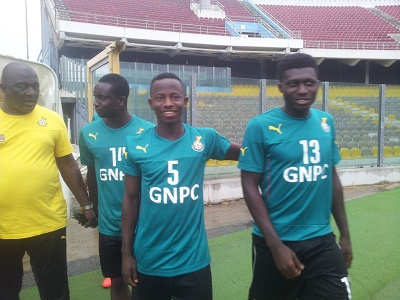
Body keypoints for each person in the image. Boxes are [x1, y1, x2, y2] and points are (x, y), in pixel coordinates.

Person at [238, 53, 353, 300]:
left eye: (309, 83)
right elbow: (249, 185)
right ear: (281, 86)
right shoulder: (259, 126)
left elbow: (331, 177)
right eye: (293, 83)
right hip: (275, 241)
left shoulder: (326, 122)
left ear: (318, 84)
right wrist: (276, 245)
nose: (302, 89)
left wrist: (345, 234)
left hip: (321, 239)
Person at [121, 72, 240, 300]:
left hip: (193, 259)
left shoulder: (204, 139)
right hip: (149, 258)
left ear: (185, 101)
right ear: (151, 103)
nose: (167, 103)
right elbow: (130, 198)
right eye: (160, 97)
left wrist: (279, 154)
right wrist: (127, 253)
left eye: (175, 97)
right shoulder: (136, 144)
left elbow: (246, 153)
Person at [0, 62, 97, 300]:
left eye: (34, 87)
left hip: (47, 222)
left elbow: (67, 164)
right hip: (3, 227)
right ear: (2, 88)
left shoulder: (52, 120)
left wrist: (86, 205)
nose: (31, 93)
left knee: (55, 292)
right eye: (22, 87)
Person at [79, 73, 154, 300]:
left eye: (102, 98)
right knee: (117, 282)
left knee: (144, 283)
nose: (96, 103)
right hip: (110, 226)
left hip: (144, 225)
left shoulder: (147, 131)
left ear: (121, 101)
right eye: (95, 97)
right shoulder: (88, 133)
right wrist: (92, 206)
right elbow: (92, 173)